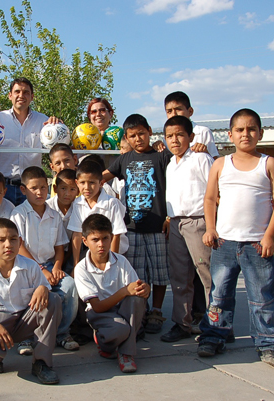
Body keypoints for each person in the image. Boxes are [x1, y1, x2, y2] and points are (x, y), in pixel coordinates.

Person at [198, 109, 274, 368]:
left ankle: (268, 343)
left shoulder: (267, 163)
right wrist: (210, 228)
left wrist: (269, 236)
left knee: (262, 297)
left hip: (257, 245)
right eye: (239, 129)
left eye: (251, 129)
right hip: (224, 243)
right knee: (219, 295)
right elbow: (210, 199)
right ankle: (214, 336)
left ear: (260, 133)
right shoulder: (220, 164)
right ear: (230, 135)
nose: (245, 134)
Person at [0, 218, 62, 385]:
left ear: (20, 242)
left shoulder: (31, 266)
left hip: (25, 321)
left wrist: (43, 288)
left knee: (53, 300)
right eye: (1, 240)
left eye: (13, 239)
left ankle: (41, 362)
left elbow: (45, 288)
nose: (8, 244)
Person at [102, 114, 172, 335]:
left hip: (157, 227)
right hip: (131, 228)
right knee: (137, 273)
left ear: (150, 131)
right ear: (127, 138)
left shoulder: (161, 156)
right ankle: (142, 310)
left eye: (142, 133)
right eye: (132, 135)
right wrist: (81, 182)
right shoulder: (124, 159)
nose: (138, 138)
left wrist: (170, 216)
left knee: (160, 273)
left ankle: (157, 311)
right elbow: (103, 176)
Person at [11, 166, 78, 352]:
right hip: (26, 266)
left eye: (42, 187)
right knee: (27, 295)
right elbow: (19, 247)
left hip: (50, 266)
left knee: (70, 287)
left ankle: (62, 333)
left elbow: (59, 247)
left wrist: (56, 267)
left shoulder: (54, 215)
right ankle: (26, 337)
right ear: (23, 190)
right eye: (33, 188)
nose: (39, 192)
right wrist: (41, 270)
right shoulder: (18, 214)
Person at [160, 116, 213, 343]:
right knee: (180, 276)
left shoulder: (201, 159)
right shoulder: (172, 163)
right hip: (176, 223)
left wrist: (212, 226)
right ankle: (182, 323)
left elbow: (214, 194)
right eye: (170, 136)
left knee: (208, 275)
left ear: (191, 137)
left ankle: (218, 325)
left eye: (180, 135)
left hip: (198, 222)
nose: (175, 140)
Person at [74, 214, 149, 373]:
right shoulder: (81, 269)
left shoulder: (121, 261)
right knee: (121, 329)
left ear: (111, 238)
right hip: (99, 314)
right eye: (95, 240)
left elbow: (135, 288)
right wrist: (123, 291)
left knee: (136, 299)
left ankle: (126, 353)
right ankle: (103, 340)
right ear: (85, 241)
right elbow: (97, 307)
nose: (101, 244)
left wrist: (145, 290)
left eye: (105, 238)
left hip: (124, 311)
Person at [0, 77, 59, 205]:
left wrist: (57, 126)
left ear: (32, 97)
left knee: (31, 225)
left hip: (31, 188)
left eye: (26, 92)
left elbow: (58, 144)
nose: (21, 95)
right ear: (10, 95)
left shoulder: (44, 122)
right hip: (3, 188)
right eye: (17, 92)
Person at [69, 160, 127, 266]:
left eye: (92, 183)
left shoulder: (111, 203)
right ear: (77, 183)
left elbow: (116, 235)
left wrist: (113, 264)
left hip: (116, 253)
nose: (86, 187)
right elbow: (76, 234)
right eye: (82, 183)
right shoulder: (78, 203)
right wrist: (76, 265)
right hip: (93, 252)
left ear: (101, 183)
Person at [153, 91, 219, 159]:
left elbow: (215, 162)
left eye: (178, 109)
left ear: (190, 111)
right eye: (169, 111)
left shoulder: (202, 132)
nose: (174, 114)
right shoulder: (167, 138)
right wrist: (157, 147)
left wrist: (206, 153)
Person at [46, 168, 79, 268]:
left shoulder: (79, 209)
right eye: (63, 188)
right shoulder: (47, 207)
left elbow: (76, 238)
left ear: (78, 191)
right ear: (55, 189)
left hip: (71, 254)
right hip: (48, 257)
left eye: (72, 189)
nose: (67, 194)